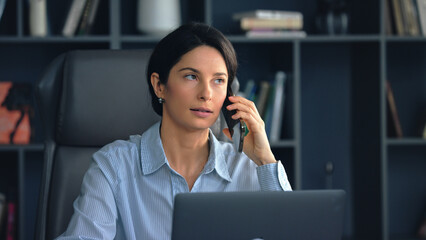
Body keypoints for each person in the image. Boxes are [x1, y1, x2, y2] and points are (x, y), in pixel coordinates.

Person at [56, 22, 292, 240]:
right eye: (191, 76)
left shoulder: (248, 169)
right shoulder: (114, 166)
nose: (206, 94)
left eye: (218, 80)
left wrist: (265, 159)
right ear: (159, 85)